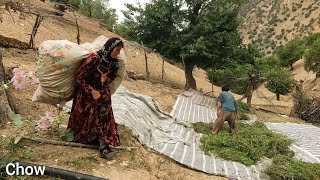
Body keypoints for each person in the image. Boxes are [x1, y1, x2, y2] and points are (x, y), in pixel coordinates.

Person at [68, 37, 124, 159]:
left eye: (120, 50)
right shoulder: (94, 59)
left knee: (105, 104)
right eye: (117, 49)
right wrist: (91, 91)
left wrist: (106, 79)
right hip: (86, 92)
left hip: (101, 91)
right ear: (110, 48)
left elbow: (113, 77)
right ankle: (100, 142)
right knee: (96, 105)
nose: (118, 53)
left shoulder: (113, 64)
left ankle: (102, 142)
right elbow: (79, 77)